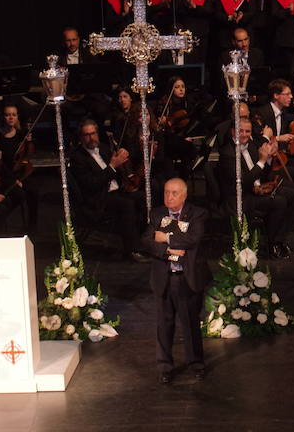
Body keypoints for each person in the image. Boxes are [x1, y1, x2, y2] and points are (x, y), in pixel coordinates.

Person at [143, 178, 211, 384]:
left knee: (190, 323)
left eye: (174, 193)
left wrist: (166, 238)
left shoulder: (198, 214)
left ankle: (196, 364)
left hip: (186, 278)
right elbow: (146, 241)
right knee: (164, 325)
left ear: (184, 195)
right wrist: (168, 250)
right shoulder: (156, 214)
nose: (169, 197)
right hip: (164, 277)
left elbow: (193, 239)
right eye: (166, 192)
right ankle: (165, 366)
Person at [217, 117, 294, 259]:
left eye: (247, 131)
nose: (244, 134)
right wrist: (262, 160)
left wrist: (268, 158)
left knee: (293, 192)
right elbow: (243, 183)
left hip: (256, 189)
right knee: (279, 201)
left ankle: (281, 239)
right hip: (240, 197)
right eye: (240, 131)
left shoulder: (249, 145)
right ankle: (273, 244)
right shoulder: (227, 153)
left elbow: (263, 173)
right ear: (233, 131)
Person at [68, 119, 145, 261]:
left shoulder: (103, 148)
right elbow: (91, 184)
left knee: (141, 197)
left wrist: (121, 160)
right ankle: (131, 250)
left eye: (93, 133)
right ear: (81, 137)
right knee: (126, 204)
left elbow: (116, 171)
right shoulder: (78, 157)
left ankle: (141, 241)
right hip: (98, 197)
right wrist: (112, 166)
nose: (91, 138)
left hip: (115, 190)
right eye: (87, 135)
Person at [173, 0, 214, 65]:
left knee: (201, 62)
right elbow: (176, 11)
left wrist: (195, 7)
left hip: (202, 32)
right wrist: (187, 6)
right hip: (184, 31)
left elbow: (209, 10)